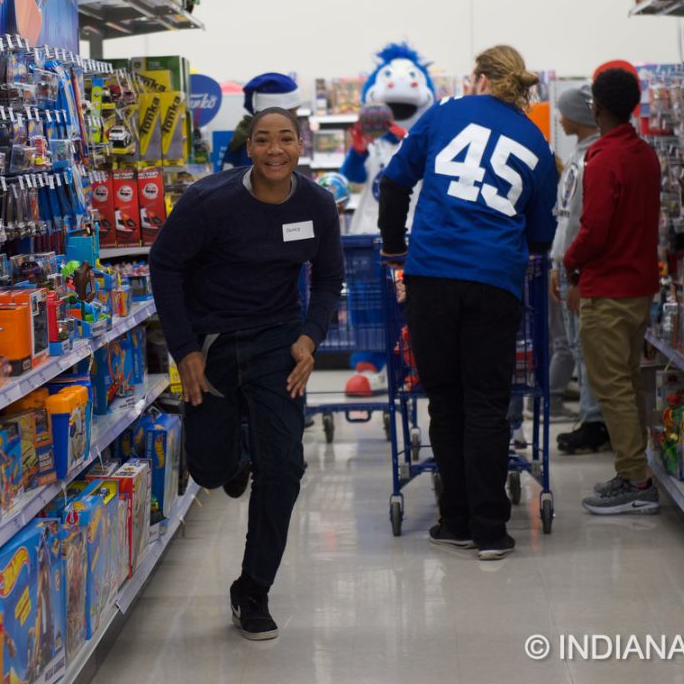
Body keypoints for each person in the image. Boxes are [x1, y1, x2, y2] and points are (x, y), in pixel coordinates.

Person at [150, 107, 345, 640]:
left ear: (300, 146)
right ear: (250, 148)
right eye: (264, 140)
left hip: (277, 344)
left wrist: (310, 337)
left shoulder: (317, 204)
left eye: (285, 139)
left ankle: (253, 589)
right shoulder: (208, 201)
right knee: (211, 472)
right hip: (210, 346)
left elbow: (329, 279)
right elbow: (164, 266)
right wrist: (184, 347)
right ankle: (234, 456)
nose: (275, 150)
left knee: (283, 468)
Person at [379, 45, 557, 560]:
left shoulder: (444, 113)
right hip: (494, 284)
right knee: (486, 404)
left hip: (431, 276)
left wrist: (395, 250)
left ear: (478, 78)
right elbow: (541, 232)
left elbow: (394, 184)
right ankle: (490, 530)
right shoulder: (537, 142)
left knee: (446, 402)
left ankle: (453, 518)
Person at [563, 68, 662, 515]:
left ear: (596, 109)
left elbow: (594, 229)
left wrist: (569, 262)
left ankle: (636, 480)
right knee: (627, 381)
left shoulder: (603, 159)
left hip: (607, 289)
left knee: (613, 386)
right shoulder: (645, 154)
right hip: (639, 286)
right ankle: (631, 469)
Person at [549, 84, 610, 455]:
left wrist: (573, 271)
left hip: (577, 266)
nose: (559, 117)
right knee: (576, 345)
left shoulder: (590, 160)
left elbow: (581, 223)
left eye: (563, 111)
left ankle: (594, 421)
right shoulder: (579, 156)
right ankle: (591, 417)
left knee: (585, 349)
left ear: (578, 116)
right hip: (567, 262)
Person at [221, 73, 304, 170]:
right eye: (293, 112)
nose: (275, 150)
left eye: (286, 140)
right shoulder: (252, 150)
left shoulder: (244, 133)